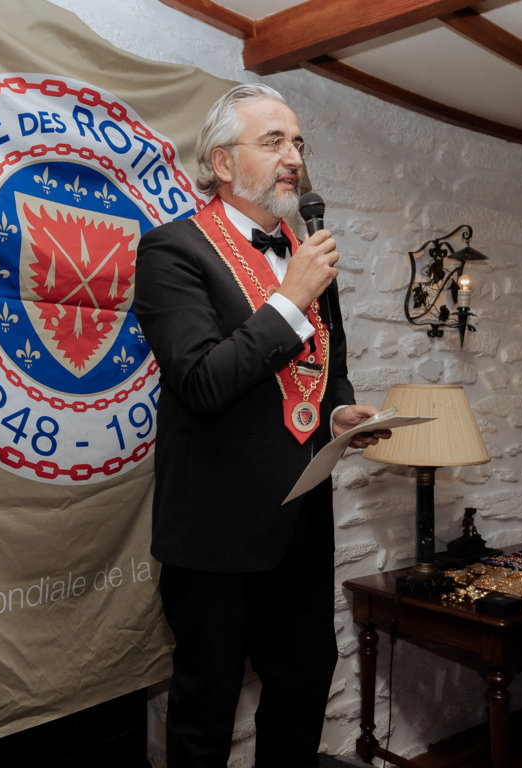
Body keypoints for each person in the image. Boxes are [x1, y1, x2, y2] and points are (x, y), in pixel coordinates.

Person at [134, 83, 390, 768]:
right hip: (214, 531)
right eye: (273, 141)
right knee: (205, 711)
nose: (294, 158)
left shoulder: (307, 254)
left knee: (301, 691)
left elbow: (328, 366)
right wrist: (291, 297)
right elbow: (201, 383)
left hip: (302, 520)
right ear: (222, 162)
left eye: (298, 143)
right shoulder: (172, 251)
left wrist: (339, 412)